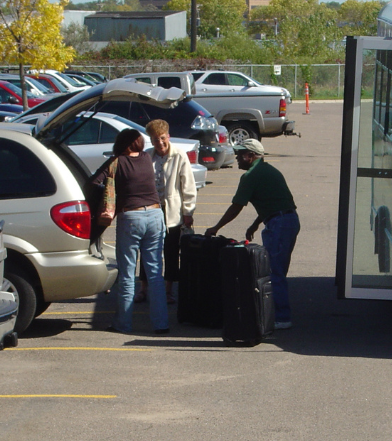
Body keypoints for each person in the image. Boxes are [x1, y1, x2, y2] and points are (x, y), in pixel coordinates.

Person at [204, 139, 300, 330]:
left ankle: (281, 317)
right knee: (278, 270)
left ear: (250, 155)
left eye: (240, 154)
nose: (237, 158)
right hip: (288, 220)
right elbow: (275, 202)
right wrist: (255, 224)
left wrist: (216, 227)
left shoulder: (251, 175)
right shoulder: (269, 171)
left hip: (278, 224)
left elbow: (237, 206)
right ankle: (277, 313)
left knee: (273, 272)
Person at [89, 129, 169, 334]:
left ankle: (123, 323)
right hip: (154, 214)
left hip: (130, 217)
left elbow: (93, 183)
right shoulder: (145, 159)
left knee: (127, 273)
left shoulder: (116, 162)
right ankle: (161, 324)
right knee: (155, 273)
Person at [135, 119, 196, 305]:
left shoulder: (179, 155)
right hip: (150, 210)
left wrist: (188, 212)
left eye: (162, 138)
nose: (159, 143)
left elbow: (188, 185)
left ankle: (168, 290)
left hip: (172, 212)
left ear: (168, 136)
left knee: (170, 252)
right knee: (147, 250)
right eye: (155, 139)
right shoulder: (147, 156)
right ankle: (144, 289)